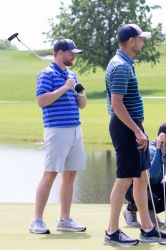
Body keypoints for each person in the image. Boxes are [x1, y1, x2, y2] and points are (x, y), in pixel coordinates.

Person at [104, 24, 166, 246]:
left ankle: (147, 228)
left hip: (133, 127)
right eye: (141, 39)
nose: (144, 43)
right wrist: (136, 130)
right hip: (126, 129)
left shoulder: (126, 63)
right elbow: (117, 105)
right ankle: (112, 232)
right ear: (132, 41)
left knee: (141, 178)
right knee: (123, 180)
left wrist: (139, 129)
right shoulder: (120, 66)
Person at [29, 39, 87, 234]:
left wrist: (80, 92)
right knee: (50, 174)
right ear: (60, 53)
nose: (74, 56)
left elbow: (82, 105)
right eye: (71, 53)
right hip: (56, 130)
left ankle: (65, 219)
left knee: (70, 174)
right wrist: (64, 87)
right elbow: (41, 100)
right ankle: (36, 220)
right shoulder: (46, 74)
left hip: (75, 129)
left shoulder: (71, 75)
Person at [123, 122, 166, 227]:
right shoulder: (151, 150)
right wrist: (159, 149)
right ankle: (131, 208)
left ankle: (151, 213)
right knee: (152, 200)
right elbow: (153, 174)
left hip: (152, 186)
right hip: (134, 188)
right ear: (162, 136)